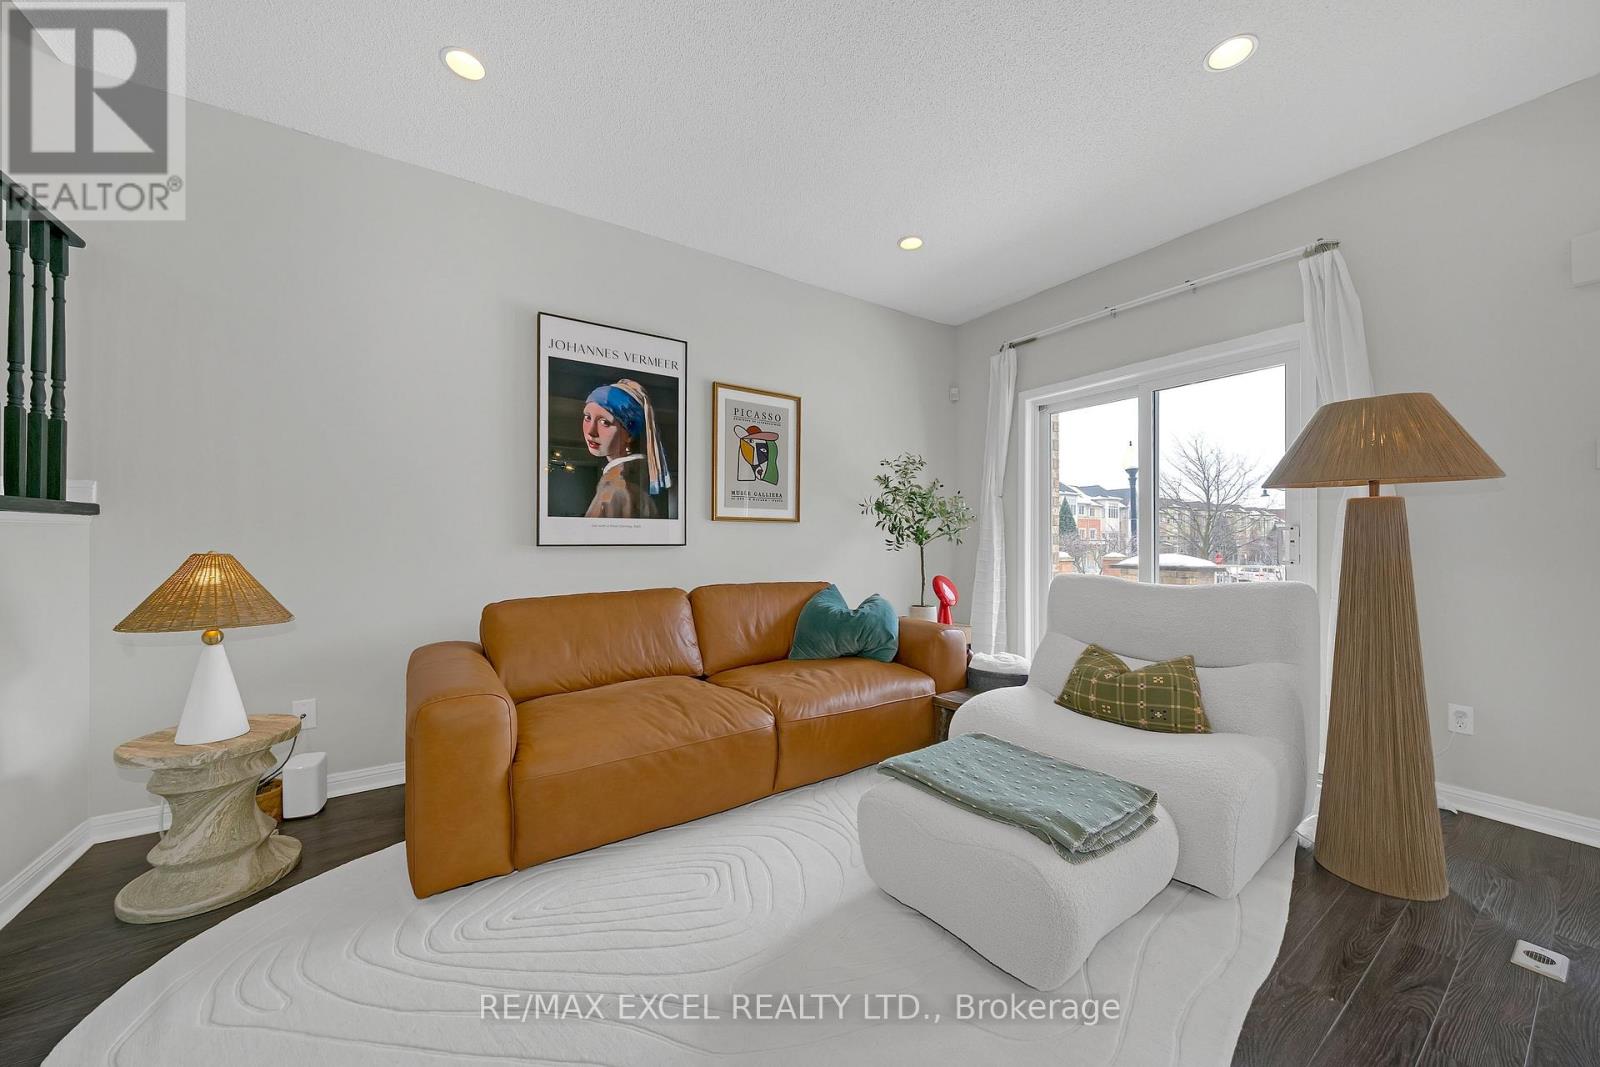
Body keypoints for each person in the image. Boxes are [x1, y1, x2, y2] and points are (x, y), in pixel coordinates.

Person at [580, 378, 671, 519]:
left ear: (629, 434)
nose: (591, 431)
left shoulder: (614, 487)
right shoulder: (637, 476)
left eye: (605, 422)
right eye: (587, 417)